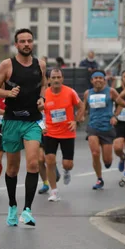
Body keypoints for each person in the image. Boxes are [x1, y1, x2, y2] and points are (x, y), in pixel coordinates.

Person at [0, 28, 47, 228]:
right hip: (11, 121)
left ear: (33, 43)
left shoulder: (40, 64)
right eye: (22, 41)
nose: (26, 44)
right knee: (13, 168)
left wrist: (42, 98)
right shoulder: (7, 65)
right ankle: (12, 205)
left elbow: (43, 84)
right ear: (16, 44)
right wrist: (7, 94)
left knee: (33, 163)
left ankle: (27, 210)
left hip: (32, 121)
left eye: (29, 41)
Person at [43, 68, 84, 201]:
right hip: (50, 132)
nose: (56, 80)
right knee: (49, 160)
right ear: (49, 80)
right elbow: (37, 112)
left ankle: (66, 171)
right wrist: (41, 126)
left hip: (67, 132)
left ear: (62, 79)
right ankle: (54, 191)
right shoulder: (44, 94)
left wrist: (76, 122)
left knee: (68, 163)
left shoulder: (70, 92)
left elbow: (81, 106)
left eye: (58, 77)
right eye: (53, 78)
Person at [83, 70, 119, 190]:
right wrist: (79, 117)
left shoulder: (111, 91)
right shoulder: (88, 93)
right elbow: (83, 107)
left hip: (107, 128)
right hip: (93, 127)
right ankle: (99, 179)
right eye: (95, 78)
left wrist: (115, 116)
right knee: (95, 153)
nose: (98, 80)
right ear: (92, 80)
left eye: (100, 78)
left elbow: (120, 104)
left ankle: (108, 162)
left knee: (107, 160)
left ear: (104, 80)